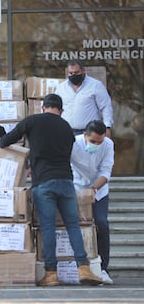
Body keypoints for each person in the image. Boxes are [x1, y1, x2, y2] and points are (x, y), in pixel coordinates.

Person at [0, 93, 102, 286]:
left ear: (43, 107)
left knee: (48, 228)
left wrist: (0, 146)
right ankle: (83, 268)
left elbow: (7, 140)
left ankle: (51, 273)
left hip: (43, 183)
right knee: (73, 226)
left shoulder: (32, 121)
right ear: (60, 110)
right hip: (66, 182)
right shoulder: (66, 128)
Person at [70, 120, 115, 284]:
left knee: (101, 223)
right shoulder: (74, 143)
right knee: (75, 225)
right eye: (93, 141)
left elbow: (106, 169)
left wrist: (94, 188)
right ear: (85, 135)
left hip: (99, 189)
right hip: (76, 187)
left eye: (100, 141)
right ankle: (78, 267)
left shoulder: (108, 145)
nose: (97, 144)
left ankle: (103, 269)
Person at [55, 59, 113, 137]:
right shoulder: (61, 88)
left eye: (76, 72)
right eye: (71, 73)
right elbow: (56, 108)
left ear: (83, 70)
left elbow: (106, 106)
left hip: (89, 132)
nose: (73, 75)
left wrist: (107, 126)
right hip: (66, 132)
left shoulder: (95, 85)